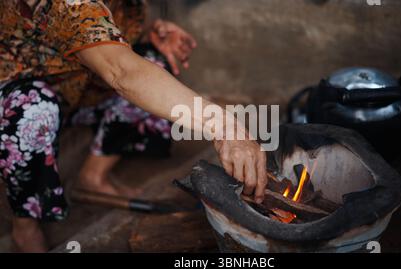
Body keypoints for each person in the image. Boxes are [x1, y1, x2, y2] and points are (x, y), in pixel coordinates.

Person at [0, 0, 267, 252]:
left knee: (154, 63)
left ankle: (93, 177)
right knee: (35, 112)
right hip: (19, 95)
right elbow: (122, 72)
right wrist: (224, 127)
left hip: (75, 85)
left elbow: (102, 29)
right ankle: (24, 224)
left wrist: (151, 31)